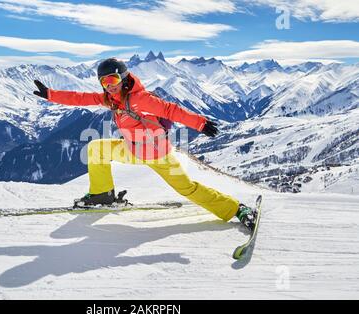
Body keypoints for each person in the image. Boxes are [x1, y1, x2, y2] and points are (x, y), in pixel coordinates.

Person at [33, 58, 257, 230]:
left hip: (159, 155)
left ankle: (237, 209)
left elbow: (171, 110)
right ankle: (102, 195)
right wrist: (51, 94)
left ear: (123, 78)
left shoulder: (140, 99)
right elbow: (82, 98)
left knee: (187, 189)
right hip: (132, 150)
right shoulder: (111, 99)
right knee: (97, 148)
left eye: (112, 80)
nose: (108, 86)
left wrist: (200, 124)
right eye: (104, 81)